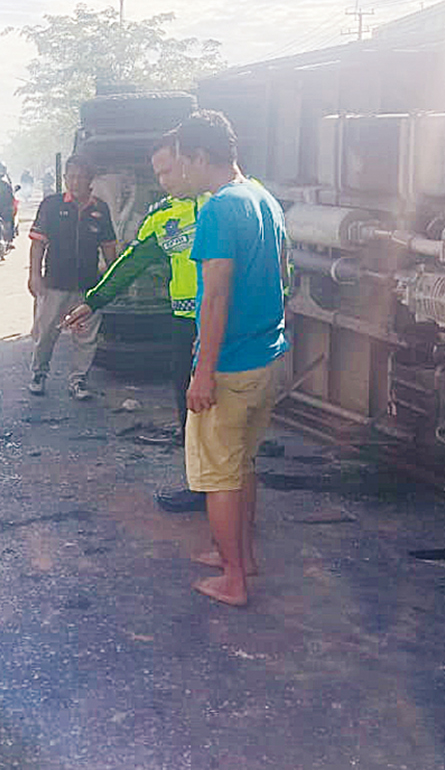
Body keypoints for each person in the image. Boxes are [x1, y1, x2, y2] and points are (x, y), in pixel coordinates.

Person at [157, 110, 288, 607]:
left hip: (230, 365)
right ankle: (242, 556)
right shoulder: (262, 198)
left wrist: (202, 372)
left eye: (181, 163)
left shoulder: (216, 210)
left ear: (199, 157)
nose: (180, 174)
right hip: (267, 357)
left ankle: (233, 578)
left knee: (217, 477)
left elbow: (214, 298)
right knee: (242, 465)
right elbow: (280, 274)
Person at [63, 181, 205, 509]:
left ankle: (230, 494)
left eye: (169, 169)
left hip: (230, 323)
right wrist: (94, 301)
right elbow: (132, 262)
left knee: (226, 410)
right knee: (189, 405)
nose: (165, 179)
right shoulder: (165, 216)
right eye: (158, 173)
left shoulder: (227, 203)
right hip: (185, 322)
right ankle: (200, 485)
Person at [28, 155, 118, 400]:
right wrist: (34, 275)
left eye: (81, 176)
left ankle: (78, 380)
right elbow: (37, 245)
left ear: (91, 180)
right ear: (65, 178)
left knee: (86, 337)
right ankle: (39, 373)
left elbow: (109, 247)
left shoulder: (100, 209)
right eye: (71, 176)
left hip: (88, 288)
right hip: (54, 284)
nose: (75, 182)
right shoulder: (51, 205)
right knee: (46, 332)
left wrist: (113, 281)